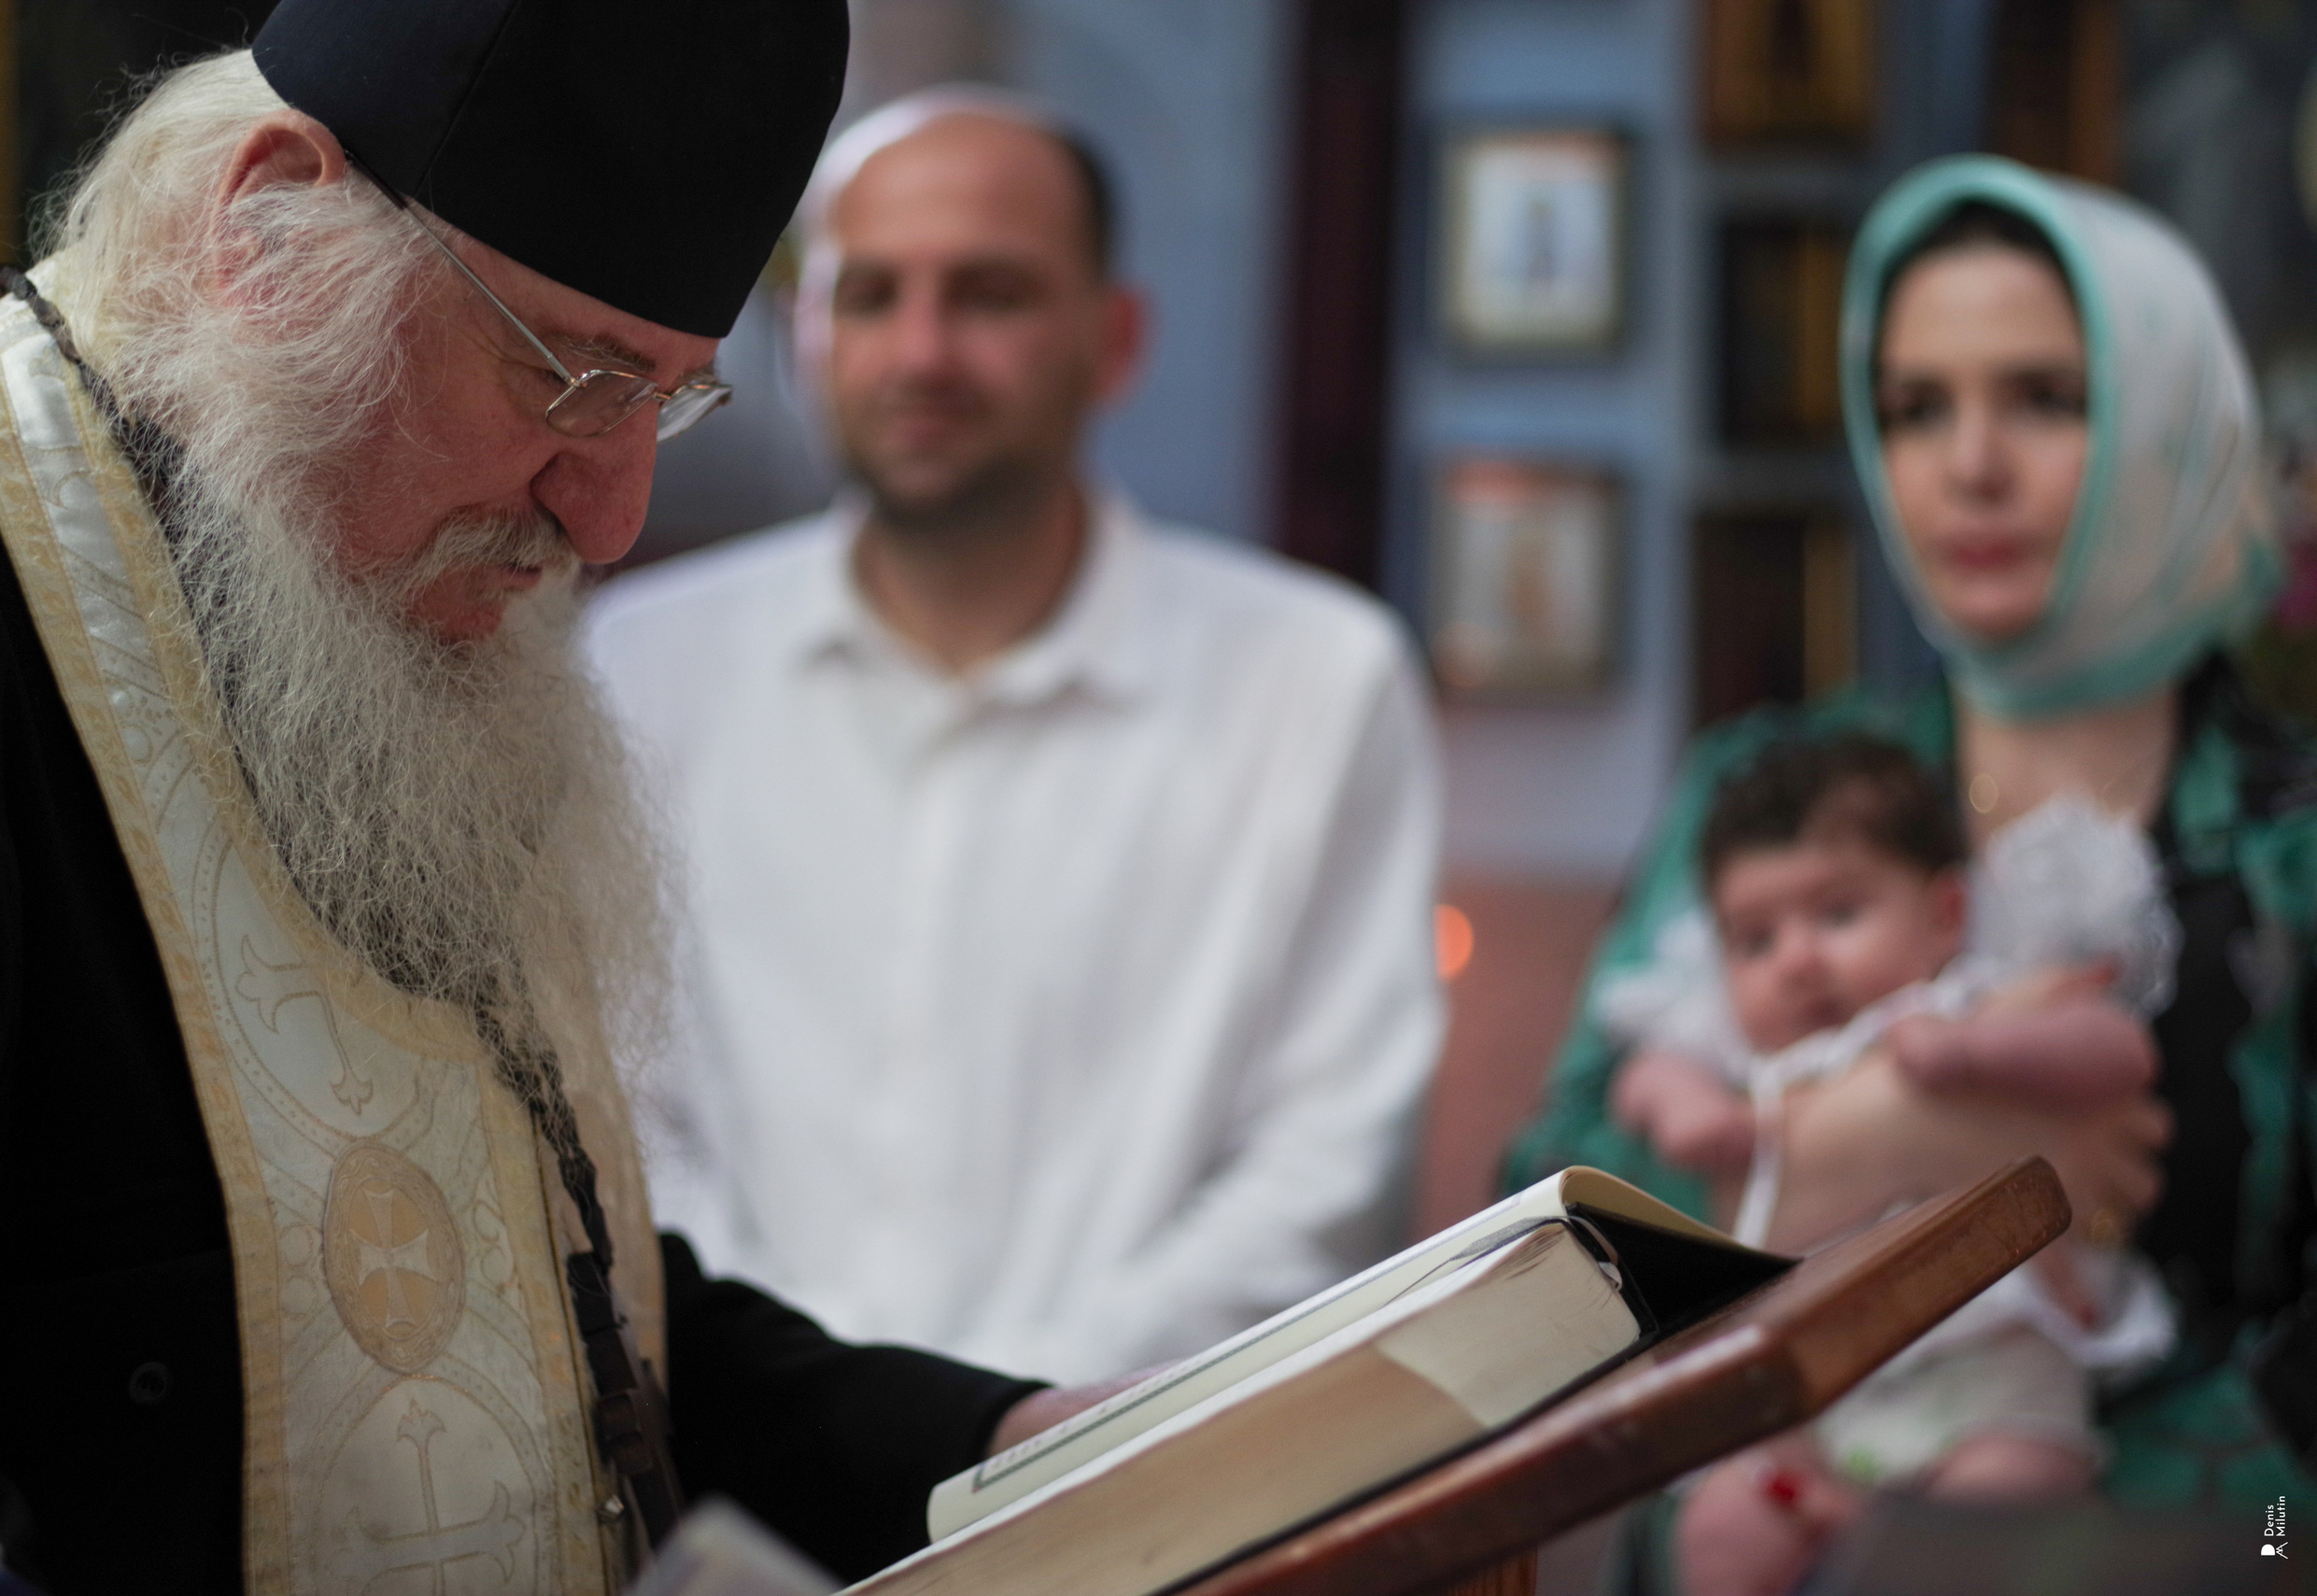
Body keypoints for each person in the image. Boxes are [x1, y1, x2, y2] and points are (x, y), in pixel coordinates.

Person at [0, 7, 1114, 1591]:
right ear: (268, 231)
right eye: (570, 376)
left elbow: (523, 1299)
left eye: (670, 399)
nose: (609, 518)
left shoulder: (380, 614)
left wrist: (1027, 1439)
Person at [1506, 156, 2317, 1596]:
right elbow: (1540, 1227)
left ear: (2175, 421)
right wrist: (1867, 1142)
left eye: (2047, 398)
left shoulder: (2291, 835)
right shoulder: (1774, 783)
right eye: (1915, 407)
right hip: (1773, 1507)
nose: (1970, 466)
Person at [586, 90, 1444, 1384]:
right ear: (800, 334)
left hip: (1142, 1500)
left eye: (988, 294)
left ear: (1117, 339)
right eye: (867, 295)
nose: (920, 351)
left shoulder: (1319, 680)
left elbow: (1329, 1166)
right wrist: (824, 1414)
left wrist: (1003, 1435)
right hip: (730, 1477)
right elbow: (608, 1112)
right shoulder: (634, 663)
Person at [1606, 733, 2179, 1589]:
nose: (1796, 960)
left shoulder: (1972, 999)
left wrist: (1978, 1057)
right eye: (1754, 939)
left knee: (2007, 1500)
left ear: (1944, 913)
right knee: (1719, 1534)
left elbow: (2117, 1048)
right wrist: (1687, 1111)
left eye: (1838, 915)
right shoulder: (1731, 1049)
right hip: (1805, 1401)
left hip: (1984, 1382)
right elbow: (1642, 1076)